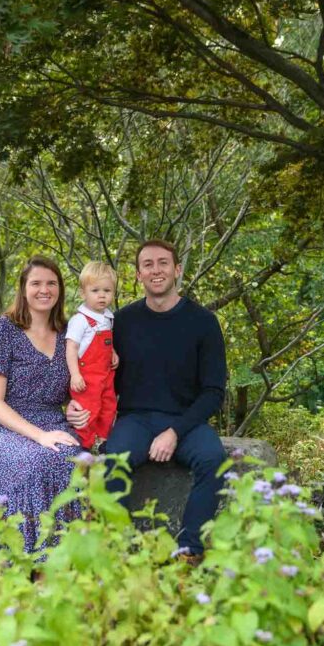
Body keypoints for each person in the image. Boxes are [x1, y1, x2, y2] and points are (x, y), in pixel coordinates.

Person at [67, 239, 227, 559]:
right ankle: (120, 550)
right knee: (113, 460)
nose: (156, 270)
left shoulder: (203, 322)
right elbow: (89, 366)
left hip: (186, 421)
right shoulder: (120, 321)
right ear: (138, 275)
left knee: (213, 460)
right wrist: (74, 404)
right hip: (136, 419)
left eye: (163, 263)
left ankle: (189, 551)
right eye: (148, 265)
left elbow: (214, 392)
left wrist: (175, 432)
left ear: (177, 270)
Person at [0, 256, 83, 552]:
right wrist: (39, 436)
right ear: (23, 289)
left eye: (51, 283)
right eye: (36, 283)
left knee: (73, 459)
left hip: (53, 422)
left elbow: (75, 385)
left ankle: (68, 558)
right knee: (40, 461)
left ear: (60, 290)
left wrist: (75, 405)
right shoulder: (3, 330)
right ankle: (32, 561)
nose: (44, 290)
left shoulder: (69, 335)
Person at [65, 261, 119, 449]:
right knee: (88, 410)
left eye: (107, 290)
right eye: (95, 291)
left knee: (109, 406)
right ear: (83, 293)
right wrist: (75, 374)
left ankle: (103, 441)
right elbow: (71, 348)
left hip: (105, 375)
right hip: (86, 378)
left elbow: (105, 342)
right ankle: (84, 445)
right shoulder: (80, 320)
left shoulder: (108, 317)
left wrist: (112, 352)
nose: (102, 295)